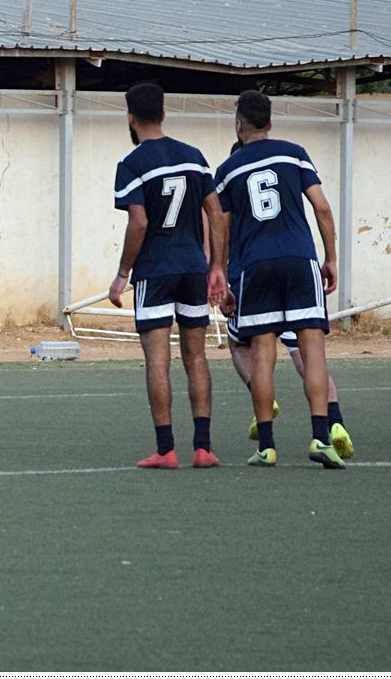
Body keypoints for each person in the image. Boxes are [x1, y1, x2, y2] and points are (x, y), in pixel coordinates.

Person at [212, 90, 342, 469]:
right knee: (312, 350)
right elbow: (321, 206)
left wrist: (220, 271)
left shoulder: (228, 170)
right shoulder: (294, 153)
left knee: (263, 355)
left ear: (239, 125)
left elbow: (221, 225)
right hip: (301, 261)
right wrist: (330, 258)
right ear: (270, 123)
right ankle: (320, 438)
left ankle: (267, 446)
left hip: (256, 266)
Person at [108, 82, 226, 469]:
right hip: (193, 268)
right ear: (163, 113)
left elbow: (138, 222)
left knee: (158, 361)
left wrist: (124, 272)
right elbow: (216, 213)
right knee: (196, 357)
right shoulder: (193, 157)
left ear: (129, 117)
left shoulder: (131, 164)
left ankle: (165, 449)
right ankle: (204, 448)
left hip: (155, 273)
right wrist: (217, 267)